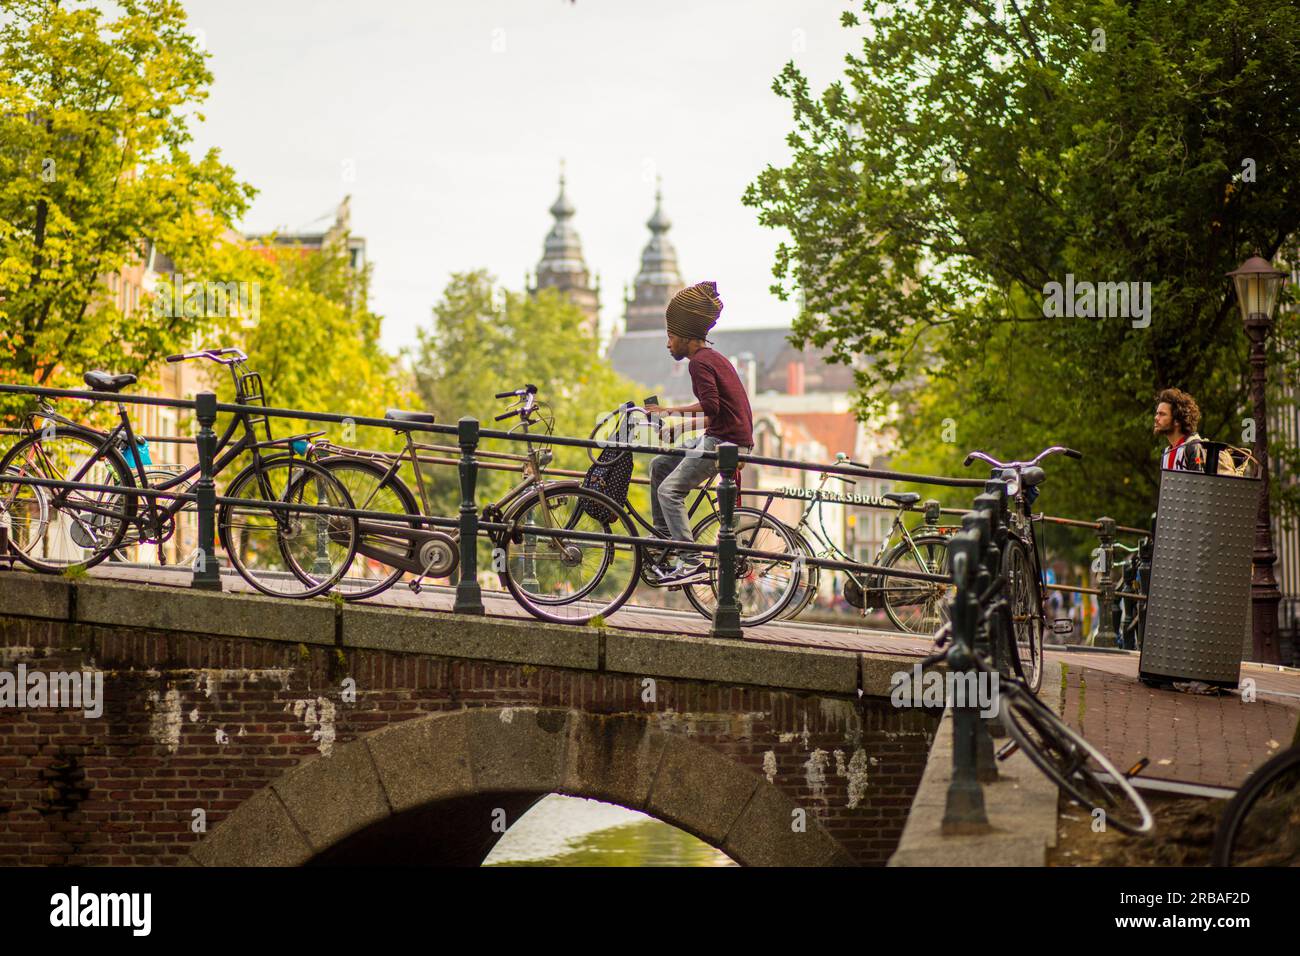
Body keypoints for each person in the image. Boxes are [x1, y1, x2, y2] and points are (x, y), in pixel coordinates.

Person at [643, 281, 754, 585]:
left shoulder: (700, 364)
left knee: (670, 491)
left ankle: (690, 560)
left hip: (725, 445)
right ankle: (665, 541)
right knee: (660, 465)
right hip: (722, 438)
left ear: (686, 338)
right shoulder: (714, 358)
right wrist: (678, 425)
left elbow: (711, 408)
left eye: (671, 337)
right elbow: (716, 411)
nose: (668, 345)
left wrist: (669, 413)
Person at [1152, 388, 1233, 473]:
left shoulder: (1193, 448)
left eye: (1162, 414)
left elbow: (1198, 485)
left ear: (1177, 421)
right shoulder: (1166, 453)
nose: (1156, 418)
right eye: (1157, 413)